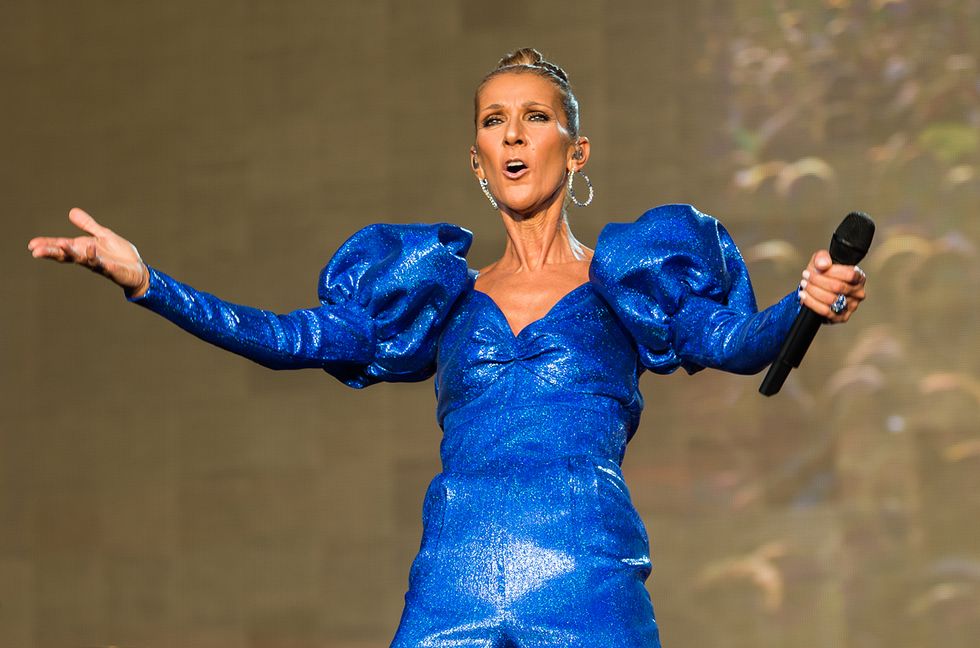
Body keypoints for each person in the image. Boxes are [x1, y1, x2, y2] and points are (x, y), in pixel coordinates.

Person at [28, 48, 867, 647]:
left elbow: (735, 343)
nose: (512, 136)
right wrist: (147, 280)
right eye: (494, 122)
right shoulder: (435, 293)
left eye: (534, 118)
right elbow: (287, 338)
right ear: (476, 158)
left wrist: (805, 300)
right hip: (454, 575)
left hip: (585, 573)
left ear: (574, 153)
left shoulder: (627, 276)